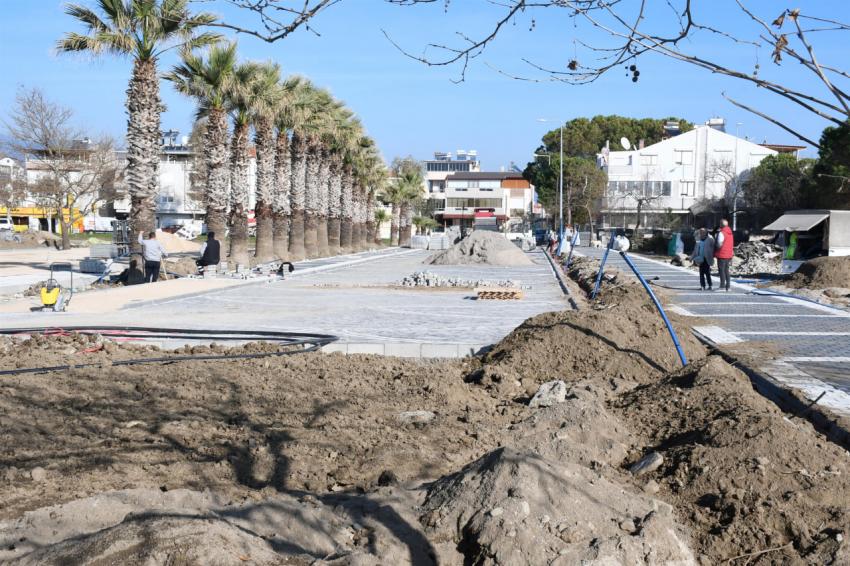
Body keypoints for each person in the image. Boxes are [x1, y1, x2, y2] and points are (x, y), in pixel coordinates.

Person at [715, 219, 734, 291]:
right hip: (728, 254)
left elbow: (719, 243)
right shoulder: (730, 233)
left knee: (721, 270)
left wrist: (716, 247)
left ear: (721, 224)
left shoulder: (722, 233)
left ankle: (722, 286)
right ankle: (728, 286)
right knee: (726, 270)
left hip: (722, 253)